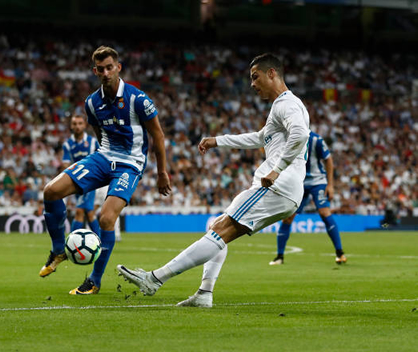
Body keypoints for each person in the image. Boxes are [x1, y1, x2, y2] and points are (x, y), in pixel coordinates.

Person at [118, 53, 310, 307]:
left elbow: (300, 134)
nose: (252, 84)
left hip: (278, 184)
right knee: (218, 229)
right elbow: (258, 138)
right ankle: (204, 294)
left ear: (272, 73)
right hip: (286, 189)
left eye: (256, 77)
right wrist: (218, 141)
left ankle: (154, 279)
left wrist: (276, 170)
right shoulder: (280, 107)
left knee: (219, 229)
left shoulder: (288, 104)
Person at [40, 46, 171, 296]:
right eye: (100, 69)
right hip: (103, 157)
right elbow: (98, 133)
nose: (106, 72)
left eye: (110, 67)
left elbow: (157, 134)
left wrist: (161, 172)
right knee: (51, 191)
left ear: (118, 67)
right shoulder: (92, 103)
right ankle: (58, 249)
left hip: (130, 163)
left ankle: (94, 280)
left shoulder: (138, 99)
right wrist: (102, 156)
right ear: (95, 71)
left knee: (106, 219)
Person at [270, 131, 347, 266]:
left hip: (318, 182)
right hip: (298, 182)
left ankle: (340, 253)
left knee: (324, 212)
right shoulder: (288, 139)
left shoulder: (316, 139)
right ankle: (279, 256)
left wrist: (330, 185)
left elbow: (328, 159)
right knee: (288, 217)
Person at [61, 114, 101, 234]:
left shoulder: (93, 142)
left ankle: (72, 242)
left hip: (91, 181)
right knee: (89, 213)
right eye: (74, 124)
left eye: (80, 123)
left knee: (79, 211)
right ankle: (100, 241)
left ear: (84, 125)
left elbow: (101, 159)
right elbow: (65, 164)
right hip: (76, 181)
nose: (77, 126)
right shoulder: (67, 144)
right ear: (71, 126)